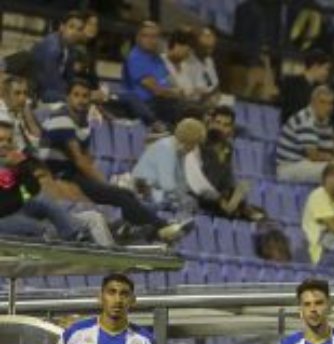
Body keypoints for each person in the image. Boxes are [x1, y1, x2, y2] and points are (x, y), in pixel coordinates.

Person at [40, 80, 191, 244]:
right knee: (119, 195)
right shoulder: (62, 118)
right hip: (59, 175)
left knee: (126, 194)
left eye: (85, 96)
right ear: (68, 97)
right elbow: (80, 161)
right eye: (76, 95)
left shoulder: (82, 119)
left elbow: (86, 157)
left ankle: (145, 230)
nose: (81, 100)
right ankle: (161, 228)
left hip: (73, 172)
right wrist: (105, 184)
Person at [276, 85, 334, 184]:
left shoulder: (326, 122)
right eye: (322, 102)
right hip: (289, 166)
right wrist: (332, 159)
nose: (327, 107)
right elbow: (313, 155)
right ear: (313, 103)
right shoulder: (305, 119)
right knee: (332, 171)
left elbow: (331, 151)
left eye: (330, 103)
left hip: (306, 164)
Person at [29, 10, 84, 104]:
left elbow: (70, 78)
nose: (75, 32)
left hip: (52, 90)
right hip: (38, 92)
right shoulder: (52, 48)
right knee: (78, 100)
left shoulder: (71, 49)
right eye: (71, 27)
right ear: (62, 27)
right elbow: (52, 82)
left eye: (79, 29)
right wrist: (76, 94)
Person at [280, 49, 333, 123]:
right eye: (326, 69)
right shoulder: (291, 83)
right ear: (315, 66)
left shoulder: (317, 89)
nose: (327, 73)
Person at [0, 76, 42, 153]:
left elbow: (37, 136)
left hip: (31, 150)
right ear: (5, 95)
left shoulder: (17, 109)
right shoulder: (2, 117)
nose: (22, 98)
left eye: (25, 93)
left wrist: (27, 111)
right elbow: (16, 148)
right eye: (17, 93)